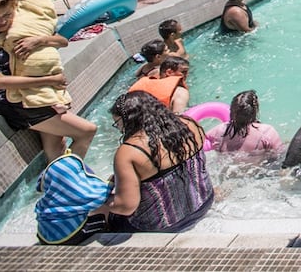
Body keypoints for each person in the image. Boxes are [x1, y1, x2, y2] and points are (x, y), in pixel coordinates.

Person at [0, 0, 97, 162]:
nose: (2, 21)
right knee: (87, 131)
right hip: (15, 103)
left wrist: (39, 40)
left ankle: (58, 176)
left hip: (38, 95)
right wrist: (49, 80)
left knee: (57, 146)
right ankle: (69, 175)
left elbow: (63, 41)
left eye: (6, 15)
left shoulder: (21, 27)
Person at [92, 90, 214, 233]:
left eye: (118, 123)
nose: (119, 129)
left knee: (101, 210)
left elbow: (126, 207)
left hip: (164, 225)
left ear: (128, 120)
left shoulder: (130, 152)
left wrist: (101, 199)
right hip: (204, 203)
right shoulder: (189, 124)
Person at [205, 90, 284, 161]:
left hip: (227, 170)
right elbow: (280, 155)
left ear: (231, 111)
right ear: (254, 112)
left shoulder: (219, 130)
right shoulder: (266, 132)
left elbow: (202, 142)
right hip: (255, 171)